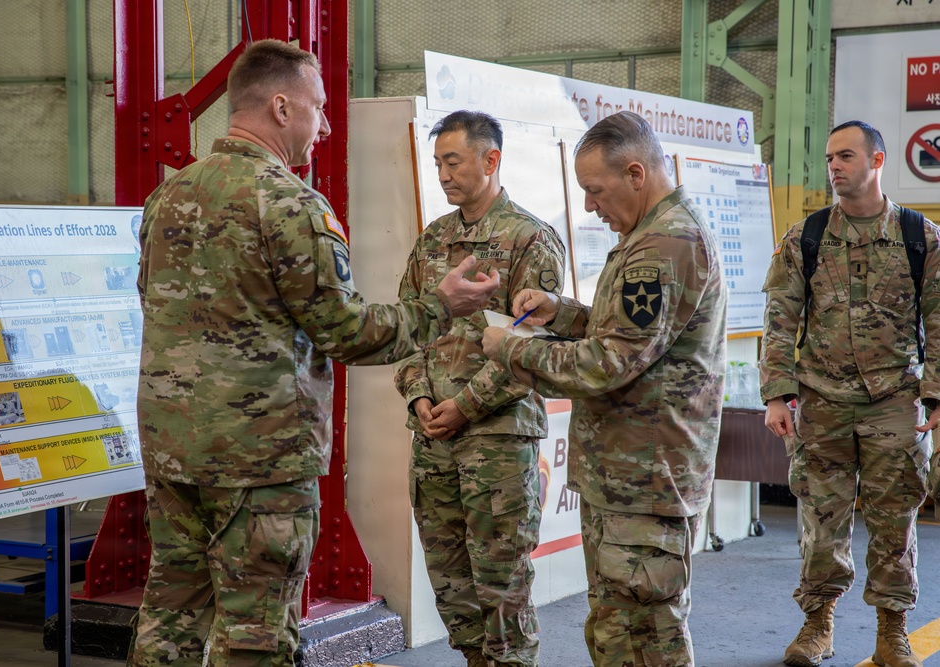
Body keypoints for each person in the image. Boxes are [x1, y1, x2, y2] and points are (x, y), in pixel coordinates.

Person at [127, 39, 500, 667]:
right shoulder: (292, 205)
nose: (325, 125)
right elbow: (346, 331)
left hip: (174, 447)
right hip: (260, 460)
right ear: (279, 106)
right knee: (256, 630)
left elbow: (152, 301)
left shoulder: (169, 197)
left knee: (170, 614)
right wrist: (441, 305)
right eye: (318, 108)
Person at [481, 110, 727, 667]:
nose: (590, 205)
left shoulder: (665, 244)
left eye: (595, 190)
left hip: (645, 478)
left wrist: (511, 347)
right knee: (620, 631)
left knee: (644, 639)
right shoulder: (652, 234)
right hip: (629, 477)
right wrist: (561, 313)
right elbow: (629, 334)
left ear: (636, 174)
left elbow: (611, 361)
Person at [760, 120, 939, 667]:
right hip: (821, 401)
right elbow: (779, 318)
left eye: (845, 156)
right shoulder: (806, 237)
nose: (834, 166)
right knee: (820, 520)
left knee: (894, 520)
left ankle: (892, 633)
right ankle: (818, 626)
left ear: (877, 161)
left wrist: (935, 394)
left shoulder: (920, 237)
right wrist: (776, 394)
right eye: (830, 158)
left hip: (894, 401)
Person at [394, 110, 566, 667]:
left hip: (496, 439)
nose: (443, 174)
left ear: (491, 160)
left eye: (454, 160)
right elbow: (407, 327)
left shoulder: (530, 240)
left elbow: (529, 350)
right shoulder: (433, 241)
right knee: (451, 583)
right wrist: (420, 397)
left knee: (501, 582)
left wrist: (463, 406)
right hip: (433, 438)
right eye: (438, 162)